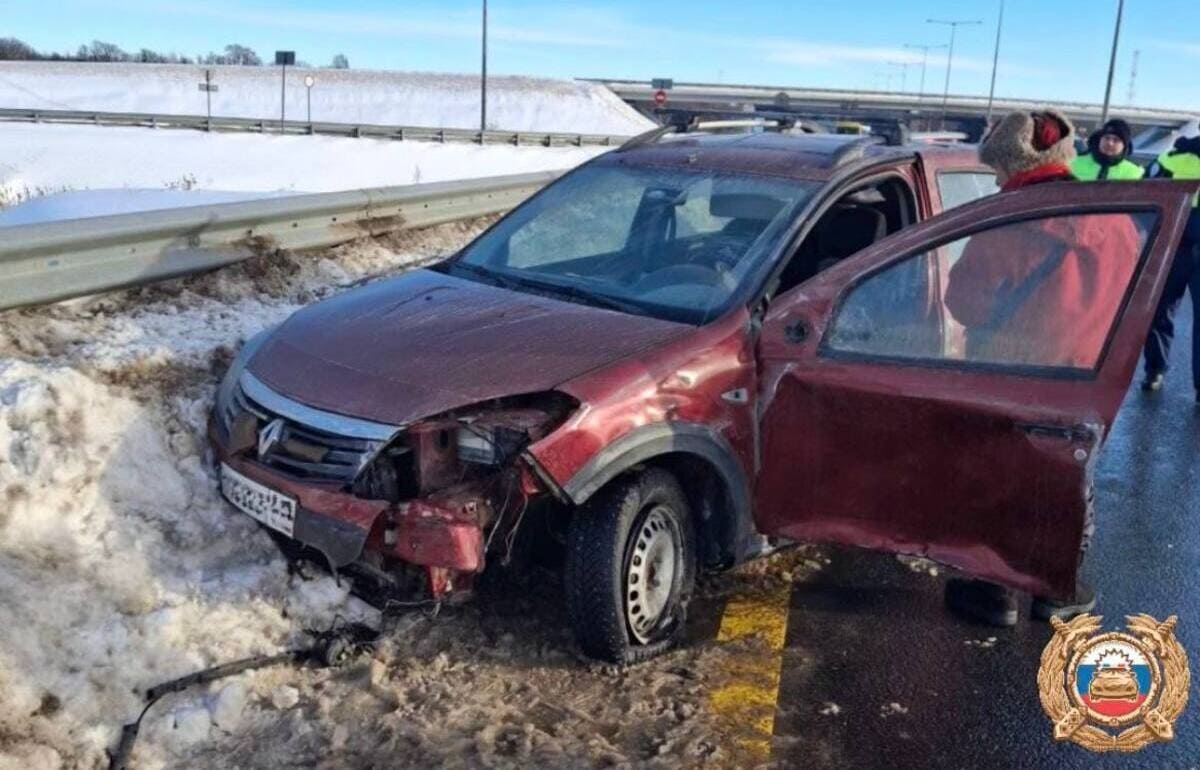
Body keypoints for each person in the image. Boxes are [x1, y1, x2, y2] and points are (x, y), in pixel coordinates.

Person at [941, 109, 1142, 627]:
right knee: (1073, 482)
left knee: (1002, 477)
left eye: (999, 171)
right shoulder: (1117, 220)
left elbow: (965, 304)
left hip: (1010, 375)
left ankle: (996, 593)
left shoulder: (1009, 224)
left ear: (1014, 164)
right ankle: (1059, 589)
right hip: (1086, 377)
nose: (999, 180)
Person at [1140, 135, 1200, 399]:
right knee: (1158, 309)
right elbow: (1147, 191)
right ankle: (1155, 368)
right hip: (1175, 246)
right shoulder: (1172, 157)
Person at [1071, 119, 1145, 181]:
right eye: (1107, 138)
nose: (1110, 143)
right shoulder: (1073, 163)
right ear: (1100, 139)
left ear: (1124, 146)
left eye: (1116, 140)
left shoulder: (1135, 172)